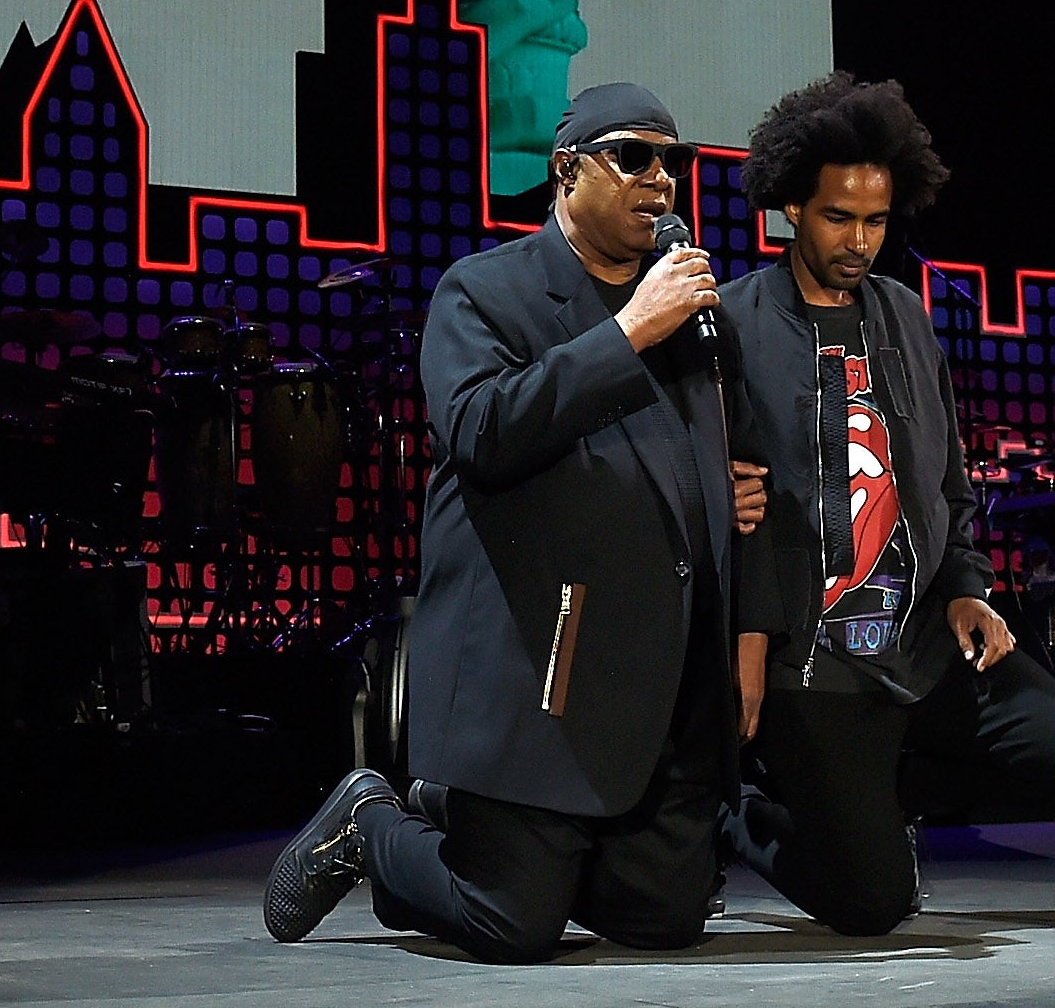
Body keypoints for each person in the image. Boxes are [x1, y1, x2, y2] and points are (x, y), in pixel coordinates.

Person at [262, 83, 763, 961]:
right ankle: (369, 821)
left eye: (674, 161)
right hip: (539, 665)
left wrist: (722, 495)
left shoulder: (692, 314)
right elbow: (484, 432)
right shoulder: (486, 290)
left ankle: (561, 851)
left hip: (654, 685)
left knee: (667, 919)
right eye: (634, 156)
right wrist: (631, 331)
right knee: (511, 922)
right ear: (566, 171)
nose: (662, 180)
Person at [716, 74, 1055, 935]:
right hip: (814, 662)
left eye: (876, 220)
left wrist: (969, 584)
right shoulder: (737, 322)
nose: (860, 240)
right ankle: (742, 809)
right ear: (791, 205)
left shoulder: (906, 314)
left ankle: (870, 797)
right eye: (838, 218)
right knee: (872, 905)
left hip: (923, 639)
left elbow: (946, 479)